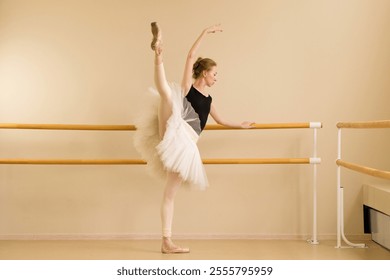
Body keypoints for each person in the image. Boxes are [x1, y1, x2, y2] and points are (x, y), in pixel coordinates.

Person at [134, 22, 254, 254]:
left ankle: (166, 240)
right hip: (173, 127)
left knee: (170, 194)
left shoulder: (209, 101)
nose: (217, 78)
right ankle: (158, 54)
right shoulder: (189, 88)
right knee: (169, 95)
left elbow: (220, 120)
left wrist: (241, 125)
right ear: (205, 73)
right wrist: (204, 33)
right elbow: (190, 56)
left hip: (184, 143)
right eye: (215, 74)